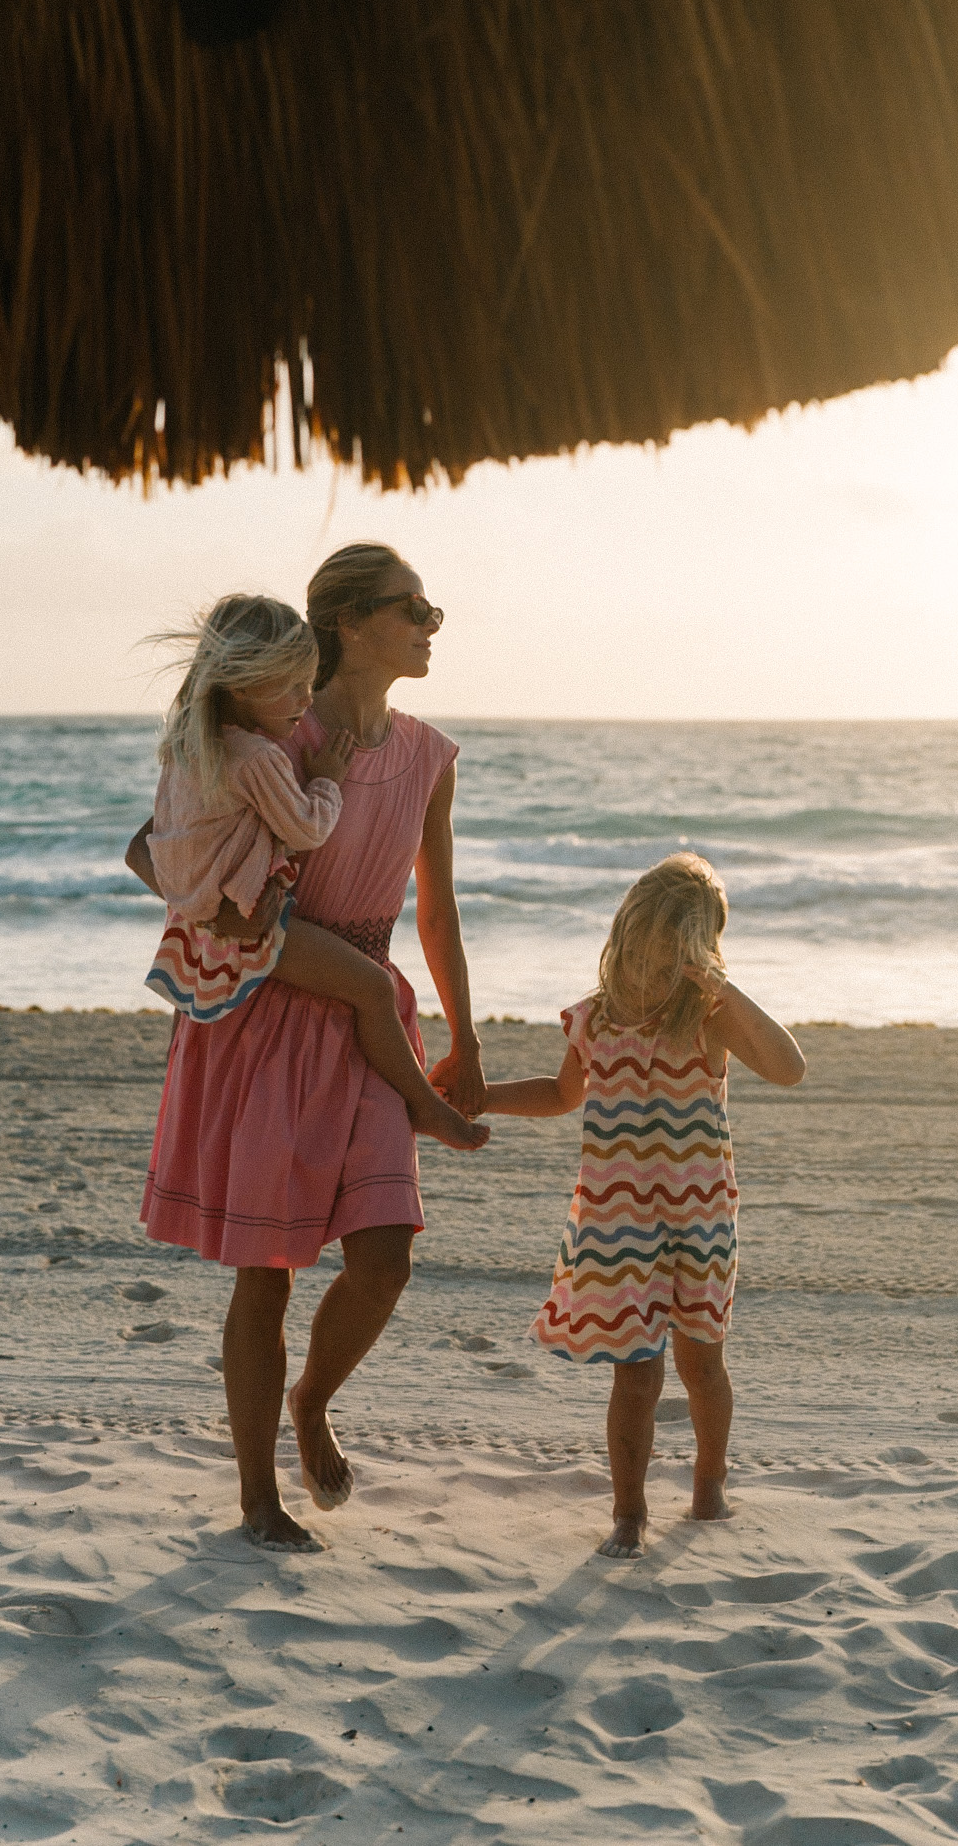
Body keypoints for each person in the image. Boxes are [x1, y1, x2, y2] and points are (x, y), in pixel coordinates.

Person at [126, 543, 488, 1552]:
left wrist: (464, 1031)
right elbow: (151, 846)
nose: (432, 621)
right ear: (348, 623)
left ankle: (312, 1401)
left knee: (385, 1257)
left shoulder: (427, 753)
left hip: (375, 1013)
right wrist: (246, 928)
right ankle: (256, 1498)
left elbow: (439, 905)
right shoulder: (280, 726)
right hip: (270, 1010)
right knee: (267, 1269)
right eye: (411, 607)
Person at [482, 852, 806, 1558]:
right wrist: (484, 1098)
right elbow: (561, 1095)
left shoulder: (710, 1018)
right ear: (631, 941)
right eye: (657, 954)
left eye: (686, 956)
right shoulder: (595, 1021)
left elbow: (790, 1066)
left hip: (701, 1218)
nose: (663, 972)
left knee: (701, 1365)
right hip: (619, 1222)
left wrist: (728, 990)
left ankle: (708, 1480)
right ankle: (628, 1512)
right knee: (637, 1370)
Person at [143, 590, 486, 1156]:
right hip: (256, 925)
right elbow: (306, 829)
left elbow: (159, 842)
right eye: (292, 685)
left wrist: (196, 899)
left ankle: (421, 1102)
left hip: (216, 926)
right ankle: (423, 1103)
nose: (304, 699)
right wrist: (326, 779)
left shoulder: (191, 746)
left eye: (308, 682)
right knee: (374, 988)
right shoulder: (266, 752)